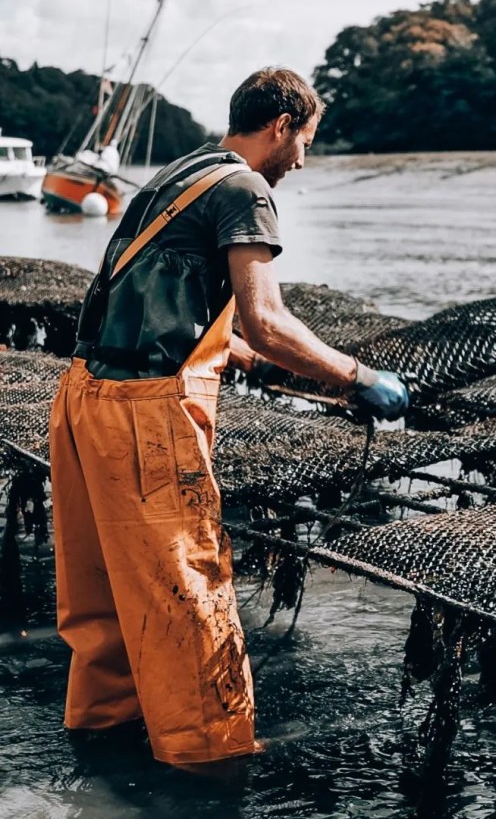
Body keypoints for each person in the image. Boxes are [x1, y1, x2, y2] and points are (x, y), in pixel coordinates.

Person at [48, 67, 410, 767]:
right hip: (145, 417)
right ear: (280, 125)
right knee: (188, 598)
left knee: (104, 605)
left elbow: (156, 295)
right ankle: (207, 763)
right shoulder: (245, 188)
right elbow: (268, 318)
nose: (302, 159)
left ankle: (103, 745)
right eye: (304, 139)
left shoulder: (182, 173)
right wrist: (358, 377)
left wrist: (240, 356)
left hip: (84, 398)